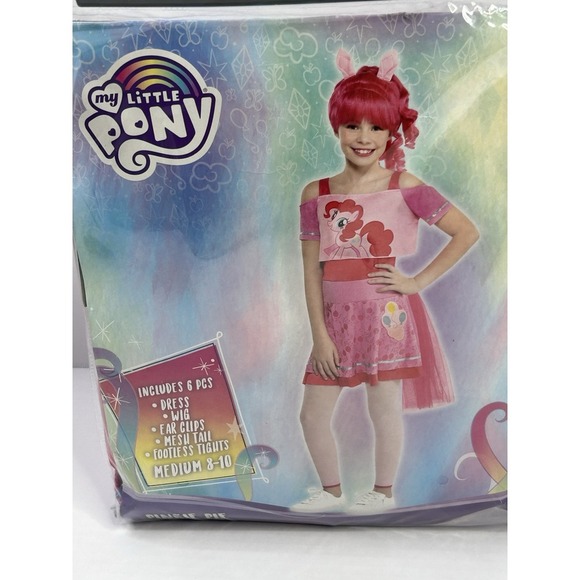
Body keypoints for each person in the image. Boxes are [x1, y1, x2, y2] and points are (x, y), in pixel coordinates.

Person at [292, 49, 479, 514]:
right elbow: (311, 270)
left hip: (386, 316)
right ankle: (330, 493)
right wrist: (319, 335)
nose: (364, 137)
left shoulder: (404, 186)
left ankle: (383, 493)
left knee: (383, 408)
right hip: (334, 319)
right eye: (352, 125)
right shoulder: (316, 193)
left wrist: (416, 281)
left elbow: (465, 232)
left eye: (376, 127)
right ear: (336, 127)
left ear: (391, 131)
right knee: (312, 412)